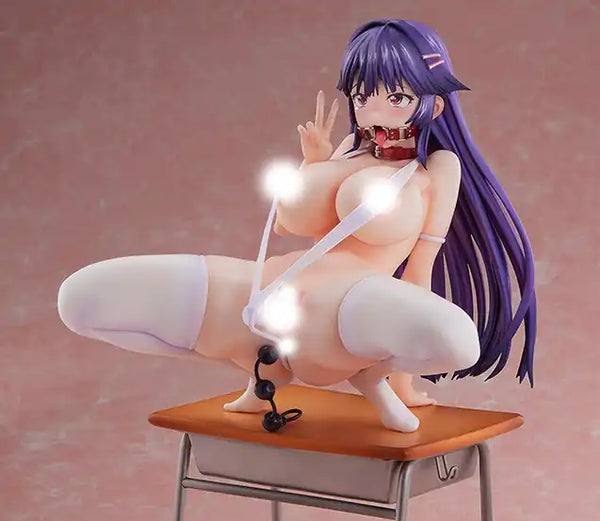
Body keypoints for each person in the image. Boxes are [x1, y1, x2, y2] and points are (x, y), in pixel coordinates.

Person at [57, 18, 536, 433]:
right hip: (277, 285)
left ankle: (369, 375)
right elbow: (291, 224)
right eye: (362, 95)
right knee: (81, 299)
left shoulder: (437, 168)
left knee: (457, 341)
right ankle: (263, 368)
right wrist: (315, 163)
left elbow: (421, 265)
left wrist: (403, 378)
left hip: (355, 304)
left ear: (433, 104)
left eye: (395, 96)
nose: (373, 109)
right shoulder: (349, 148)